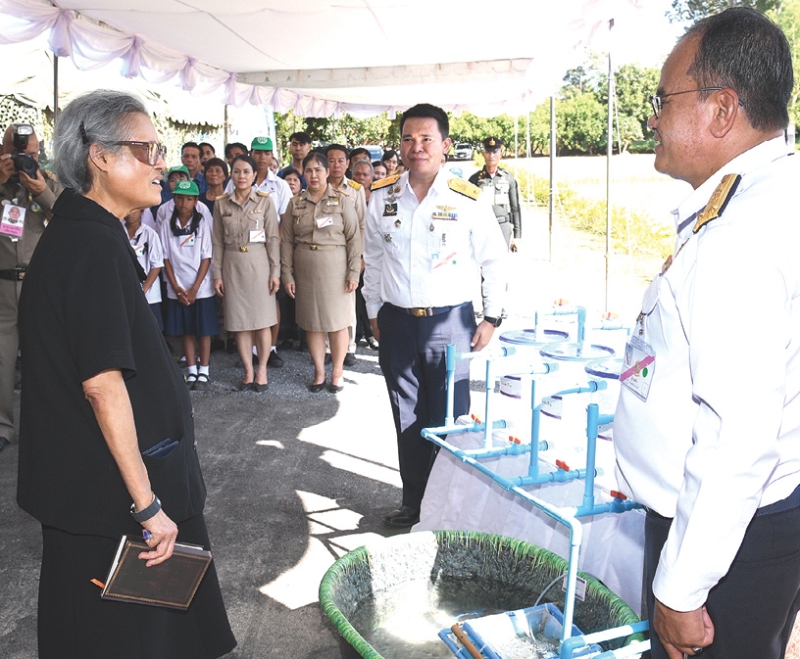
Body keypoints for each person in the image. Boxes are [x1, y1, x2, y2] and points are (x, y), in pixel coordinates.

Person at [16, 89, 235, 659]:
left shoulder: (89, 232)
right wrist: (148, 506)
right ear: (99, 155)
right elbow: (101, 383)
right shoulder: (89, 243)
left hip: (102, 484)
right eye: (147, 149)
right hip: (112, 498)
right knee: (124, 637)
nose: (161, 162)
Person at [612, 9, 800, 659]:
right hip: (749, 529)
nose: (654, 118)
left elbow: (738, 436)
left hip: (721, 548)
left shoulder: (737, 238)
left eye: (664, 99)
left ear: (722, 110)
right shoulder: (772, 196)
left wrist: (682, 589)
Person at [363, 103, 508, 528]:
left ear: (444, 146)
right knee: (406, 415)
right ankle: (414, 503)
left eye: (426, 139)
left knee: (450, 418)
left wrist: (492, 317)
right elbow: (372, 259)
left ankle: (450, 511)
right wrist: (374, 311)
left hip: (450, 323)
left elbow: (495, 261)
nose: (416, 147)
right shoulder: (382, 197)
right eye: (408, 139)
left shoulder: (467, 198)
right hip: (397, 321)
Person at [0, 124, 61, 453]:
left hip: (38, 284)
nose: (26, 159)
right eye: (19, 154)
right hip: (2, 286)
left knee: (44, 359)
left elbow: (68, 217)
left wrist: (41, 190)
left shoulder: (47, 180)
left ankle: (44, 427)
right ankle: (2, 427)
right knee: (2, 360)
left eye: (33, 154)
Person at [281, 151, 361, 393]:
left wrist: (353, 272)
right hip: (305, 270)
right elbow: (286, 241)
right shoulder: (295, 203)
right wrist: (287, 274)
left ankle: (337, 372)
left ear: (327, 172)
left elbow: (354, 238)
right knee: (312, 323)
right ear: (303, 174)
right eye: (308, 170)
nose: (313, 175)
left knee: (337, 324)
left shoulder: (342, 200)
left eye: (318, 170)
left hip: (336, 270)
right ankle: (319, 372)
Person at [212, 154, 280, 392]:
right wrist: (217, 275)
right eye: (237, 171)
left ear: (254, 176)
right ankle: (248, 370)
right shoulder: (221, 203)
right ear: (232, 174)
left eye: (246, 172)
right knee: (239, 323)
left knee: (262, 322)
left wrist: (275, 272)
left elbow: (273, 239)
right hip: (232, 266)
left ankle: (261, 369)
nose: (241, 176)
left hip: (259, 264)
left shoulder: (265, 201)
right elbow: (217, 242)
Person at [160, 180, 218, 390]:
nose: (184, 203)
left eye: (189, 199)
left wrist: (194, 288)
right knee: (186, 330)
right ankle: (192, 369)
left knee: (203, 330)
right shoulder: (167, 223)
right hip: (178, 286)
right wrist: (175, 286)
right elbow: (165, 257)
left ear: (195, 201)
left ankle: (204, 370)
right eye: (180, 198)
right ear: (174, 199)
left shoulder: (202, 221)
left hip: (200, 287)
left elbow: (206, 256)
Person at [327, 144, 366, 366]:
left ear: (348, 163)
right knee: (324, 301)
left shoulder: (355, 190)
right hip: (324, 254)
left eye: (340, 160)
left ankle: (349, 347)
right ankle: (326, 347)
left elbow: (362, 226)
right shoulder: (318, 187)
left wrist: (358, 258)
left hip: (347, 255)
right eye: (331, 160)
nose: (336, 165)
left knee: (347, 301)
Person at [468, 136, 521, 248]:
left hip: (503, 227)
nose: (491, 156)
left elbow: (515, 208)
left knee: (502, 264)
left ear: (500, 154)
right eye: (488, 152)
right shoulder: (474, 179)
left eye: (495, 152)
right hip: (481, 227)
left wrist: (517, 236)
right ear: (483, 154)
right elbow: (467, 208)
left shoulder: (508, 178)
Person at [350, 158, 379, 350]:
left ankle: (371, 332)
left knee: (370, 294)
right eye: (357, 174)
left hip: (373, 255)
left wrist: (366, 258)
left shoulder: (380, 196)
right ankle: (357, 333)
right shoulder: (346, 194)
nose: (361, 178)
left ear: (372, 176)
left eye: (365, 174)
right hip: (353, 254)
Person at [124, 208, 165, 331]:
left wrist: (143, 290)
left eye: (134, 210)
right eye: (128, 209)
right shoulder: (118, 232)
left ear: (142, 212)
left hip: (149, 294)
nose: (130, 213)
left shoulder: (149, 234)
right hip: (126, 291)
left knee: (151, 331)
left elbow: (156, 265)